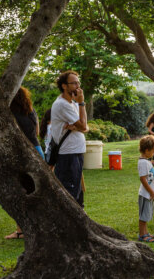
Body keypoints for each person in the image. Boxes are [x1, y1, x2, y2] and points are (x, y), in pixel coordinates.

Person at [5, 87, 46, 239]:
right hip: (37, 149)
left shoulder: (8, 112)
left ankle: (21, 230)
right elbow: (36, 132)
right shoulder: (31, 110)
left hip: (21, 152)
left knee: (21, 191)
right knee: (36, 190)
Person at [51, 70, 88, 207]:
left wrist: (78, 126)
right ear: (64, 86)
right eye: (74, 83)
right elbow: (84, 127)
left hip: (75, 152)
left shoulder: (72, 104)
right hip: (68, 154)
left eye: (78, 83)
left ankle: (79, 224)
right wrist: (82, 103)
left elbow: (85, 127)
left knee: (77, 192)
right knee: (69, 193)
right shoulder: (63, 104)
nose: (78, 87)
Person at [137, 136, 154, 242]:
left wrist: (151, 163)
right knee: (143, 216)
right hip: (145, 194)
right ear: (147, 150)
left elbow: (147, 168)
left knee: (147, 214)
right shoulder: (142, 163)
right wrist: (151, 191)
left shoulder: (145, 161)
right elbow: (143, 179)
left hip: (148, 194)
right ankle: (142, 235)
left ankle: (146, 233)